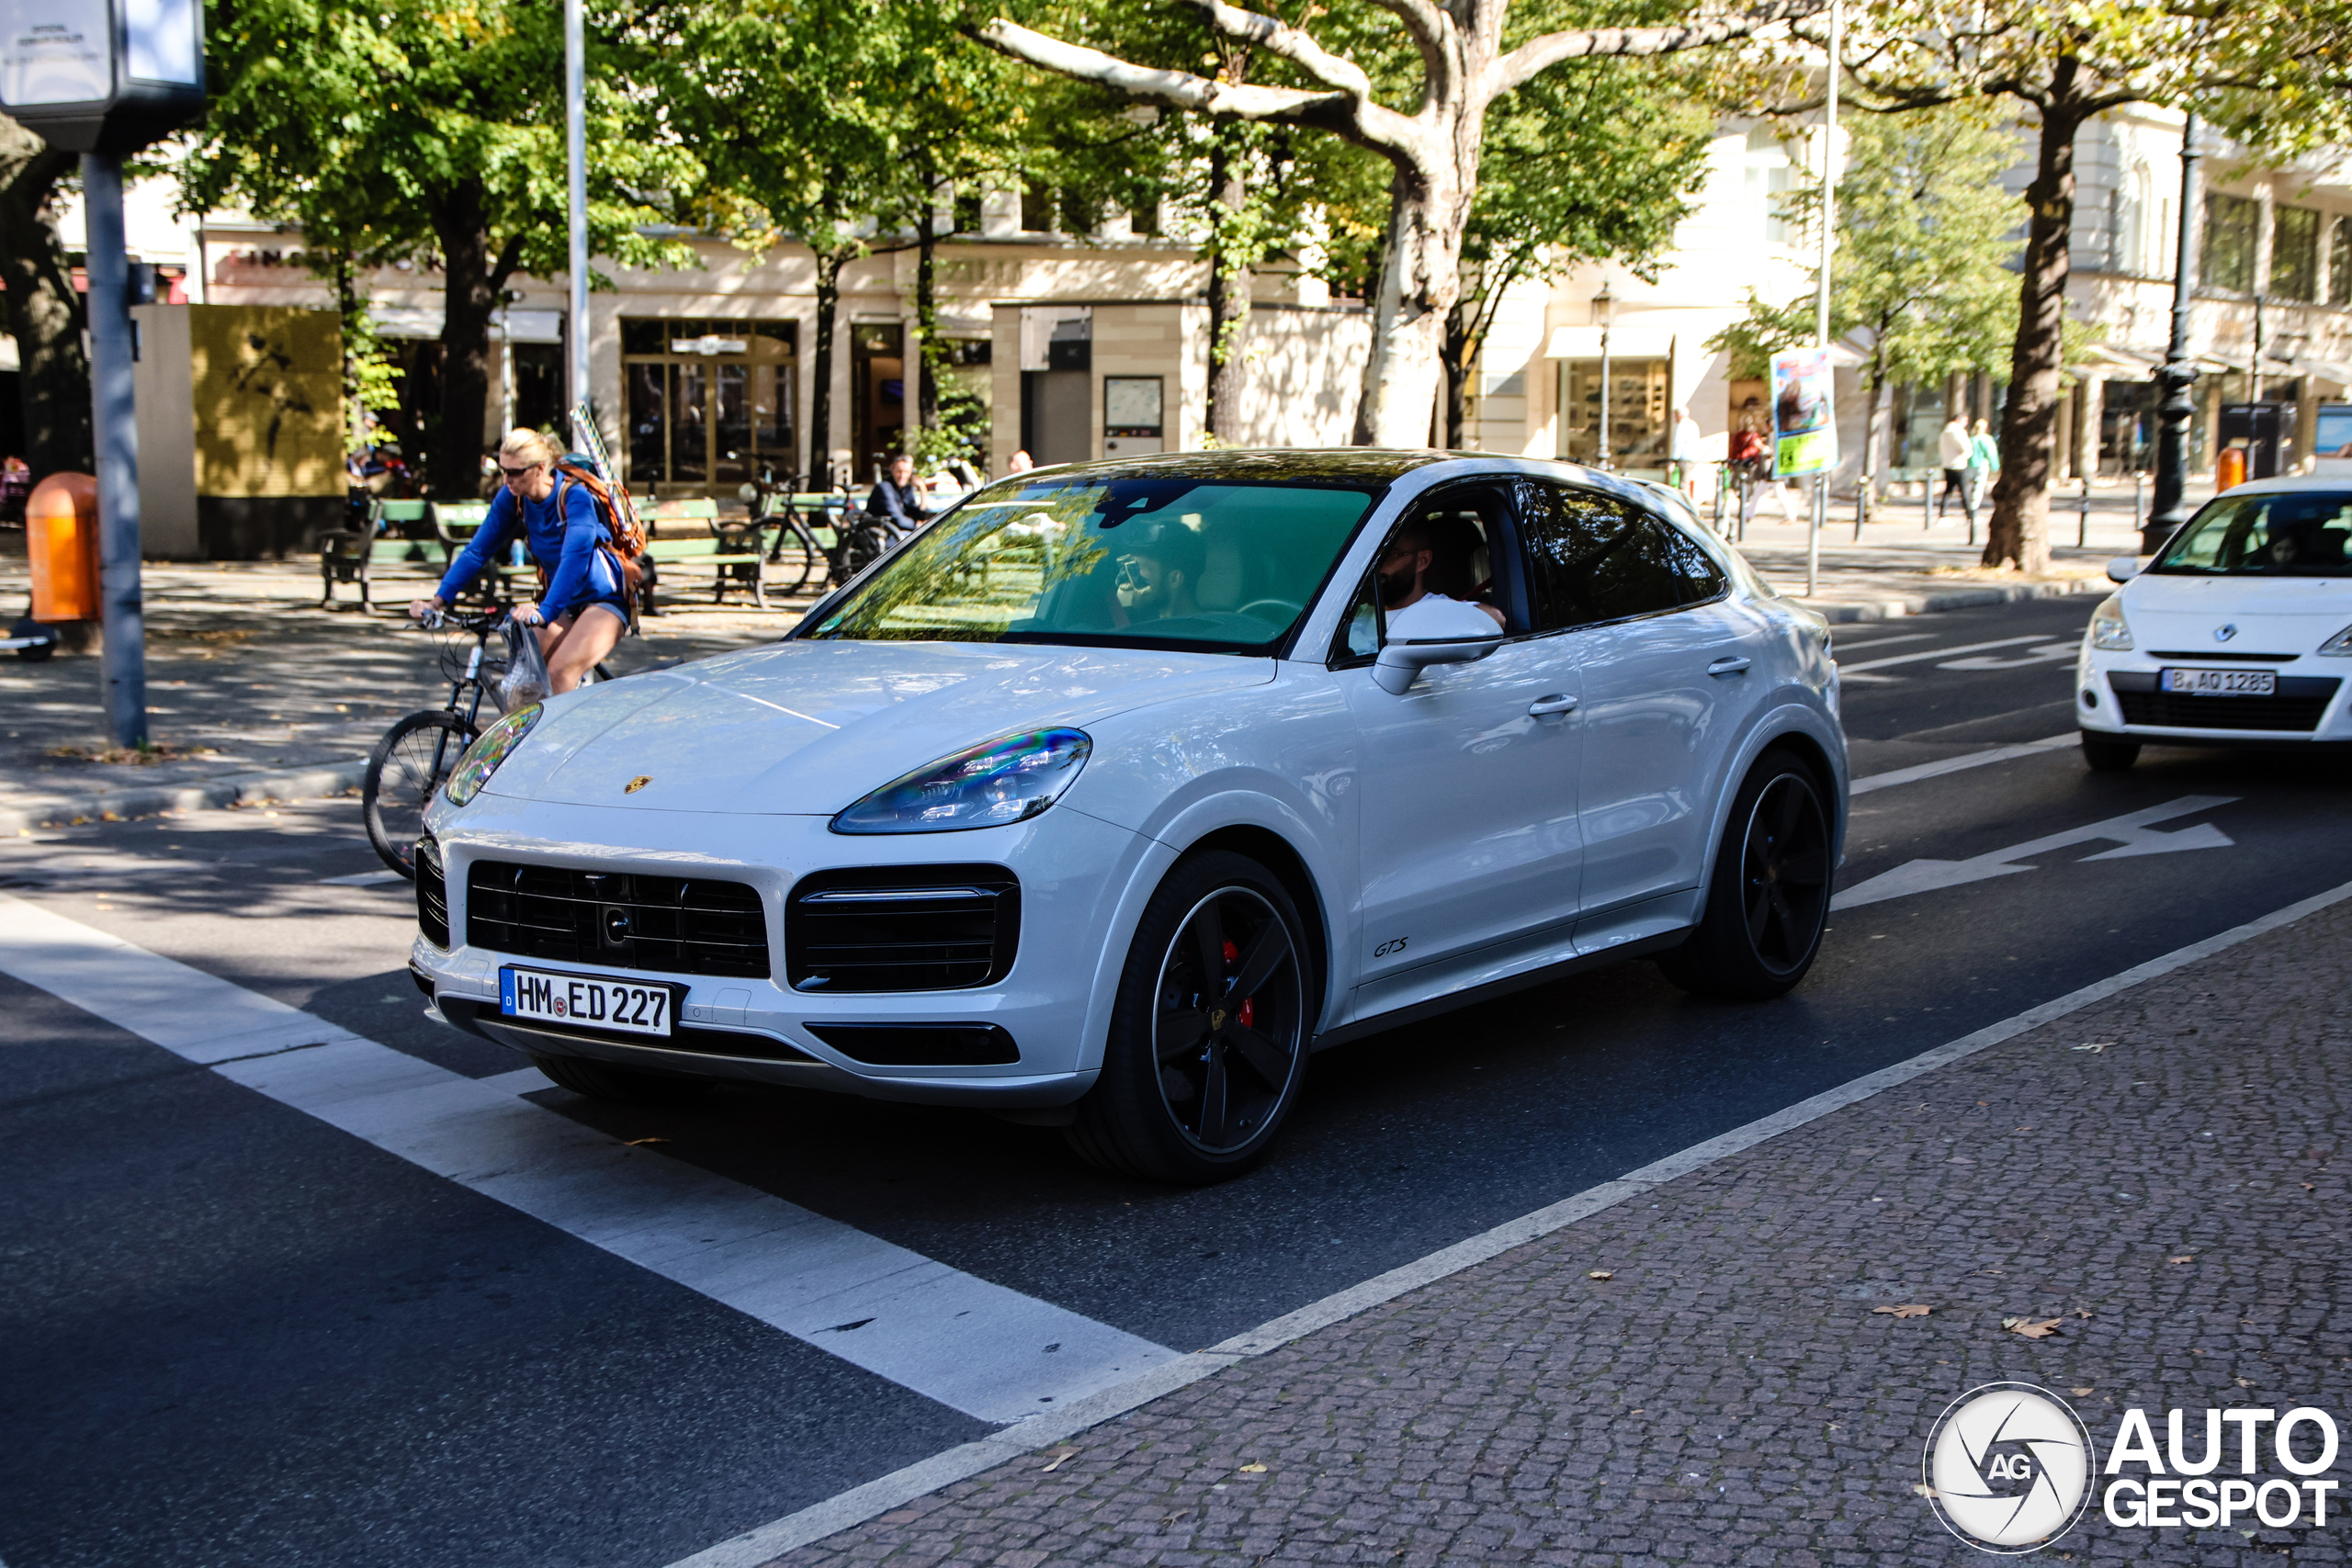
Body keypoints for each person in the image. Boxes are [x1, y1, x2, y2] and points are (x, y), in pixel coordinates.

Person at [408, 428, 628, 695]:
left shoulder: (574, 497)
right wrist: (438, 600)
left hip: (605, 599)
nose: (506, 479)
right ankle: (527, 738)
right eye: (503, 470)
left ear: (540, 468)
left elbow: (575, 558)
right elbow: (477, 551)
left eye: (515, 472)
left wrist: (544, 612)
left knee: (559, 675)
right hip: (564, 602)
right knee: (522, 684)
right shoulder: (513, 497)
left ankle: (569, 738)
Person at [1348, 520, 1507, 652]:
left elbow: (1496, 618)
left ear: (1422, 560)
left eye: (1390, 555)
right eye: (1375, 556)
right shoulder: (1353, 613)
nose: (1378, 566)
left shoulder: (1439, 610)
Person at [1117, 522, 1205, 623]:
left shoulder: (1209, 636)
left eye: (1138, 567)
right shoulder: (1135, 627)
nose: (1128, 576)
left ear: (1174, 579)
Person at [866, 453, 933, 531]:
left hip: (899, 533)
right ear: (892, 469)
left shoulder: (906, 489)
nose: (902, 476)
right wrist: (919, 525)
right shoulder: (884, 488)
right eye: (899, 471)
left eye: (906, 472)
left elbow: (919, 516)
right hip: (882, 534)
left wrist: (923, 489)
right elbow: (898, 520)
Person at [1937, 412, 1976, 530]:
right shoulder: (1957, 431)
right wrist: (1967, 454)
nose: (1967, 423)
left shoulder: (1945, 432)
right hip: (1959, 464)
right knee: (1965, 490)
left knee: (1948, 490)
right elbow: (1966, 448)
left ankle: (1943, 514)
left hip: (1948, 464)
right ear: (1959, 420)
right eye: (1965, 420)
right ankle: (1970, 516)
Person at [1670, 406, 1705, 499]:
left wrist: (1674, 461)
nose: (1675, 418)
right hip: (1693, 458)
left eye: (1676, 415)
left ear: (1679, 415)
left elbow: (1679, 443)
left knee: (1683, 484)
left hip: (1684, 458)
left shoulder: (1682, 425)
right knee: (1686, 482)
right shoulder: (1693, 424)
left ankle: (1684, 504)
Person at [1968, 417, 2001, 515]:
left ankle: (1970, 507)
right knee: (1979, 487)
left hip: (1970, 466)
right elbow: (1991, 454)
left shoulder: (1971, 439)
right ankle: (1974, 510)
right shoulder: (1987, 439)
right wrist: (1996, 466)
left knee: (1970, 487)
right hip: (1982, 465)